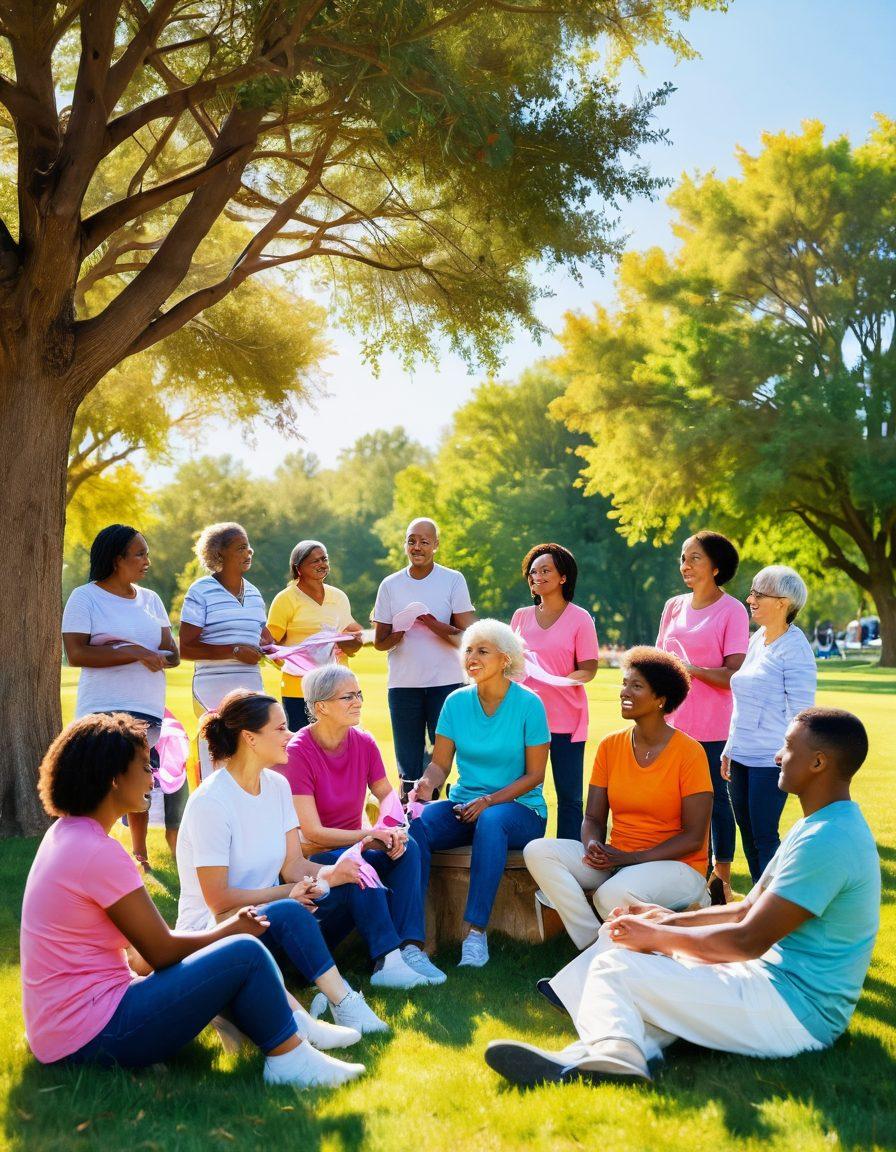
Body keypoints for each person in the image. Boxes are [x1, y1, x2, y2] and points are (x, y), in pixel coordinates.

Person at [485, 708, 880, 1086]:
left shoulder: (828, 840)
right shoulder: (819, 826)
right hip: (770, 987)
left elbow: (748, 939)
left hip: (794, 1010)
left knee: (616, 966)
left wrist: (657, 938)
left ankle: (612, 1053)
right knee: (626, 947)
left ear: (818, 763)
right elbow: (742, 909)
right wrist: (663, 922)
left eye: (789, 747)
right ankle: (595, 1056)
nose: (778, 756)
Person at [20, 713, 366, 1087]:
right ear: (113, 778)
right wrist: (231, 930)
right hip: (92, 1035)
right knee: (242, 951)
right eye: (144, 765)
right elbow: (161, 952)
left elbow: (139, 956)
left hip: (67, 1029)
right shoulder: (98, 852)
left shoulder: (67, 835)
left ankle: (292, 1032)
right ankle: (290, 1059)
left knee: (220, 956)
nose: (153, 775)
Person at [175, 689, 426, 1039]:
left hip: (266, 916)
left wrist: (331, 874)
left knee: (354, 873)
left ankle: (385, 962)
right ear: (249, 738)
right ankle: (344, 1003)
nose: (290, 736)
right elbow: (218, 899)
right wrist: (288, 894)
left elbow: (294, 863)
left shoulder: (276, 785)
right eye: (279, 729)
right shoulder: (211, 802)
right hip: (215, 929)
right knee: (290, 911)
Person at [524, 647, 712, 950]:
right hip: (618, 860)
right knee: (538, 851)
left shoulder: (689, 753)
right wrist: (593, 845)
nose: (624, 691)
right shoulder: (611, 746)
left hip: (678, 867)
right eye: (624, 683)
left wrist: (630, 859)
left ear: (660, 699)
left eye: (636, 686)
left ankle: (600, 952)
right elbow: (593, 818)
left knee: (609, 895)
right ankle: (590, 944)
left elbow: (693, 837)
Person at [279, 663, 446, 985]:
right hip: (317, 856)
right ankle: (387, 961)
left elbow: (385, 793)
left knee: (407, 846)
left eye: (359, 694)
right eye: (347, 697)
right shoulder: (299, 751)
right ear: (321, 707)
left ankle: (410, 949)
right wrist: (369, 834)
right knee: (361, 863)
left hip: (356, 845)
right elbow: (311, 832)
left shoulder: (364, 741)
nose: (357, 702)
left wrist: (391, 827)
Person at [408, 620, 549, 968]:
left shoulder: (530, 705)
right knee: (418, 824)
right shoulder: (455, 703)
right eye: (468, 649)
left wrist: (488, 800)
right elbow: (440, 765)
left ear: (505, 660)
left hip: (520, 810)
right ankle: (414, 938)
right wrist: (426, 784)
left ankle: (475, 933)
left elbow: (535, 775)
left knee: (491, 819)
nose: (471, 657)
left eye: (482, 651)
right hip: (464, 805)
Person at [62, 524, 184, 871]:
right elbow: (76, 654)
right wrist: (134, 652)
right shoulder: (85, 597)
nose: (147, 560)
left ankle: (140, 856)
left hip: (146, 708)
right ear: (117, 559)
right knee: (98, 785)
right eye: (140, 553)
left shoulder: (151, 600)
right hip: (101, 708)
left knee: (138, 779)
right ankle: (84, 855)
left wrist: (152, 653)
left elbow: (172, 654)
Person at [656, 531, 749, 901]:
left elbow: (733, 675)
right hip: (670, 722)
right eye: (683, 558)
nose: (685, 565)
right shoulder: (673, 606)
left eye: (694, 558)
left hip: (711, 725)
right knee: (674, 799)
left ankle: (720, 877)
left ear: (716, 566)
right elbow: (660, 659)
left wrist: (689, 668)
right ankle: (687, 871)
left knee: (713, 799)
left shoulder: (733, 611)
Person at [723, 565, 817, 881]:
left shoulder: (795, 649)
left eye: (758, 594)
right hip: (741, 757)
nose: (750, 598)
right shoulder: (759, 638)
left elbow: (802, 712)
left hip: (770, 759)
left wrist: (787, 751)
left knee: (764, 835)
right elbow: (744, 701)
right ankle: (756, 905)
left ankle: (771, 911)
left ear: (782, 602)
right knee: (747, 833)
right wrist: (729, 748)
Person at [373, 517, 477, 797]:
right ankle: (407, 819)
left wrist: (429, 621)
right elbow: (380, 643)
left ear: (436, 545)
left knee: (441, 757)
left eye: (424, 541)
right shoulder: (390, 585)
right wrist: (400, 630)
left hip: (446, 682)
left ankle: (432, 812)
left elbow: (469, 634)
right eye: (411, 540)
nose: (417, 546)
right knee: (407, 762)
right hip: (403, 684)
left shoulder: (453, 580)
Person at [511, 543, 599, 840]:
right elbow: (509, 664)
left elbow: (588, 669)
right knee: (520, 791)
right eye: (533, 572)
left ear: (563, 577)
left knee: (570, 797)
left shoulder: (580, 618)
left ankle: (568, 859)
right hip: (524, 721)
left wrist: (554, 679)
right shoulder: (520, 617)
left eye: (545, 570)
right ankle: (522, 853)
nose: (537, 576)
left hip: (565, 721)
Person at [178, 522, 274, 780]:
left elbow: (263, 636)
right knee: (218, 764)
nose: (249, 552)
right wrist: (233, 651)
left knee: (251, 760)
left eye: (249, 546)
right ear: (219, 555)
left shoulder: (254, 593)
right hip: (212, 690)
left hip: (251, 688)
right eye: (241, 548)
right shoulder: (200, 591)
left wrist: (272, 648)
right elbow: (185, 647)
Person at [266, 540, 363, 733]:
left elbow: (352, 639)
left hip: (339, 688)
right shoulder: (285, 599)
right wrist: (293, 661)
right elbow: (269, 645)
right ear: (298, 568)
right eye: (314, 561)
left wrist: (354, 641)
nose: (322, 564)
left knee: (342, 745)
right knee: (302, 748)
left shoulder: (339, 597)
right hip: (298, 689)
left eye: (324, 559)